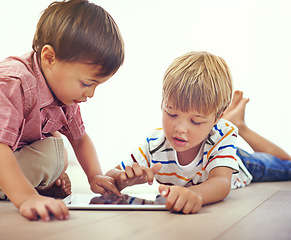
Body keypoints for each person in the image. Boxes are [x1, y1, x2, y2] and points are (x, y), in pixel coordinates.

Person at [0, 0, 124, 222]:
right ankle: (28, 187)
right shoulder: (10, 81)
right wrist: (26, 198)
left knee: (56, 149)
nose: (91, 95)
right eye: (87, 83)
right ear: (49, 58)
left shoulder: (66, 97)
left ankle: (40, 184)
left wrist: (95, 175)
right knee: (54, 155)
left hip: (10, 155)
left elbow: (80, 139)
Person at [106, 51, 291, 214]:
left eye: (195, 121)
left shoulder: (222, 136)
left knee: (287, 165)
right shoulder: (156, 144)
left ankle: (239, 127)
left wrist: (194, 194)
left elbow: (221, 182)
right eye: (171, 113)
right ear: (162, 104)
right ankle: (233, 122)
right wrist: (123, 180)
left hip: (239, 163)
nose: (180, 128)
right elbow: (111, 175)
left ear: (217, 118)